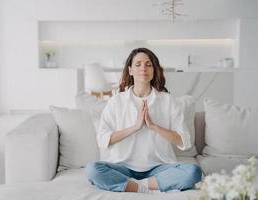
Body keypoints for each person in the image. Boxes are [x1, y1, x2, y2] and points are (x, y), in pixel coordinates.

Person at [86, 48, 202, 193]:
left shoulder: (168, 101)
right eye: (138, 64)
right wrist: (135, 127)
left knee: (193, 172)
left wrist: (153, 126)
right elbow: (103, 140)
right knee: (92, 170)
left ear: (154, 70)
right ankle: (147, 186)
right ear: (130, 70)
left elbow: (184, 141)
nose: (143, 68)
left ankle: (134, 185)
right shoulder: (116, 101)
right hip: (123, 167)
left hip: (159, 168)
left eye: (148, 64)